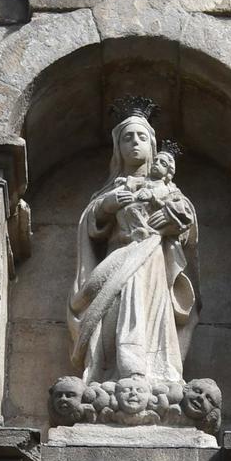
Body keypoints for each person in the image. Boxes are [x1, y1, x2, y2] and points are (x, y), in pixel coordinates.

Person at [67, 108, 198, 387]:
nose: (134, 143)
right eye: (127, 138)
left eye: (141, 137)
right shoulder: (111, 188)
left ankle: (153, 371)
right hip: (120, 256)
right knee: (114, 309)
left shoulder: (166, 188)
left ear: (152, 146)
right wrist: (108, 204)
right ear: (118, 147)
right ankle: (112, 370)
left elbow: (187, 222)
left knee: (150, 313)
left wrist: (173, 219)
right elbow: (89, 223)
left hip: (153, 259)